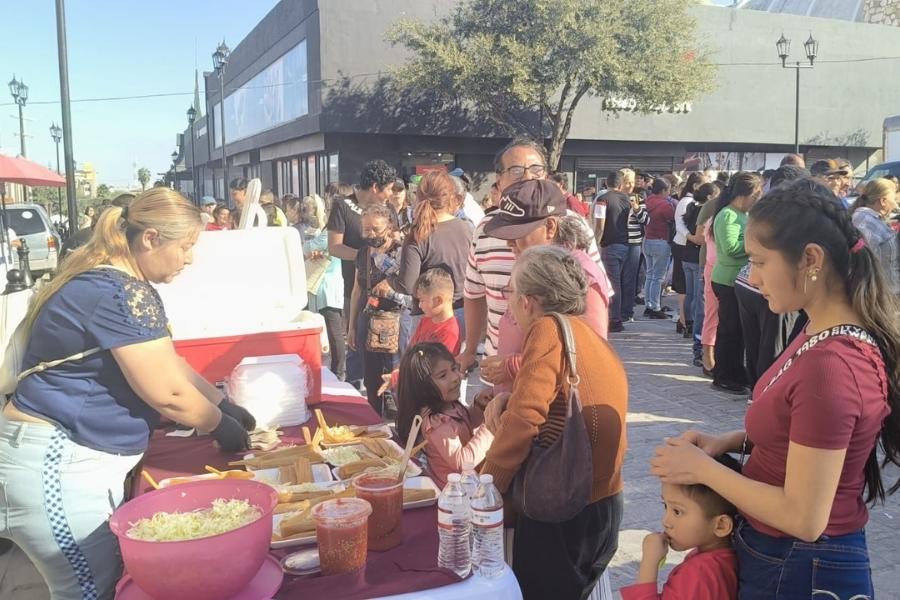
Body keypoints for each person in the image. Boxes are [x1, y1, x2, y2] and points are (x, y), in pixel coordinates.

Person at [651, 177, 900, 600]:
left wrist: (701, 469)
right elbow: (799, 434)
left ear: (810, 259)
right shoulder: (816, 330)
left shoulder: (833, 364)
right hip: (783, 556)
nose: (752, 275)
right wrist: (725, 442)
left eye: (761, 262)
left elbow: (804, 517)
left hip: (801, 564)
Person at [0, 188, 255, 599]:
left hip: (53, 456)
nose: (190, 259)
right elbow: (168, 393)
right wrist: (218, 424)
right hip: (58, 463)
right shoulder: (122, 292)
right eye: (186, 247)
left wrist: (221, 401)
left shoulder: (107, 280)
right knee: (89, 591)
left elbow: (167, 362)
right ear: (151, 238)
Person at [479, 245, 627, 600]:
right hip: (602, 503)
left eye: (510, 292)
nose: (509, 303)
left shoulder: (547, 329)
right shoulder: (586, 332)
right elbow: (550, 405)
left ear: (528, 301)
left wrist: (485, 486)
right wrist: (508, 402)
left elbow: (526, 419)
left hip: (565, 506)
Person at [458, 137, 605, 373]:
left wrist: (519, 365)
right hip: (497, 367)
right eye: (516, 170)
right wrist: (470, 349)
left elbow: (594, 323)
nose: (527, 177)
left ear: (551, 228)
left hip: (555, 377)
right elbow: (474, 293)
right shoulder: (484, 230)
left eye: (536, 169)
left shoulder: (575, 229)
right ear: (499, 179)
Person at [480, 180, 611, 395]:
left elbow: (591, 356)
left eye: (516, 234)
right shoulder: (529, 265)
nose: (509, 243)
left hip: (552, 415)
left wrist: (512, 367)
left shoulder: (580, 275)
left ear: (550, 227)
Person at [735, 166, 810, 392]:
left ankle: (758, 391)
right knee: (772, 347)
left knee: (758, 344)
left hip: (745, 285)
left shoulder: (765, 209)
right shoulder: (790, 216)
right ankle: (763, 392)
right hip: (762, 291)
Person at [327, 163, 400, 387]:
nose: (391, 195)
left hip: (390, 293)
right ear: (375, 187)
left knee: (389, 352)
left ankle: (388, 396)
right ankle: (357, 400)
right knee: (357, 349)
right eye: (388, 189)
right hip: (356, 287)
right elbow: (334, 247)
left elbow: (396, 243)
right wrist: (364, 256)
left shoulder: (389, 210)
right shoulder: (342, 205)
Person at [620, 475, 738, 600]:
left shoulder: (698, 573)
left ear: (721, 526)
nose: (665, 521)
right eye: (666, 506)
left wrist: (649, 563)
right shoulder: (727, 557)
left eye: (677, 511)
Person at [396, 342, 491, 489]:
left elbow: (463, 425)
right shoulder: (436, 422)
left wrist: (479, 406)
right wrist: (491, 426)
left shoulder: (449, 405)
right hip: (453, 496)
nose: (454, 377)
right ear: (423, 387)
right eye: (443, 375)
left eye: (454, 368)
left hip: (467, 487)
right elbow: (463, 462)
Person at [391, 171, 473, 331]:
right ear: (450, 197)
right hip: (464, 314)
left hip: (428, 317)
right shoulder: (467, 228)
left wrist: (390, 280)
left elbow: (407, 285)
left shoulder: (417, 234)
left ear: (418, 196)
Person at [347, 203, 408, 415]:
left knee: (397, 373)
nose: (370, 234)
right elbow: (356, 291)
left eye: (376, 229)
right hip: (368, 318)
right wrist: (352, 326)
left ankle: (403, 420)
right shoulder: (363, 253)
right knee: (371, 376)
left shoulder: (402, 251)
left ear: (389, 227)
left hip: (397, 320)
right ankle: (374, 420)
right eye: (366, 229)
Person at [709, 172, 762, 394]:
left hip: (737, 280)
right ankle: (723, 375)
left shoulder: (741, 214)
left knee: (739, 332)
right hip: (727, 280)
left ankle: (736, 372)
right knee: (729, 331)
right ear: (746, 194)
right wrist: (756, 245)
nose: (758, 200)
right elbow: (731, 249)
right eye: (757, 195)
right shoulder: (728, 215)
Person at [284, 193, 347, 380]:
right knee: (324, 330)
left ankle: (339, 370)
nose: (306, 213)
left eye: (309, 209)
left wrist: (309, 243)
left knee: (334, 330)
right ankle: (328, 367)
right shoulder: (321, 230)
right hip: (318, 287)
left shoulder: (329, 232)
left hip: (327, 287)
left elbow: (305, 249)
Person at [380, 268, 461, 394]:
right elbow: (410, 352)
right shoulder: (425, 320)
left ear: (438, 300)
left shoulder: (449, 331)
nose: (419, 305)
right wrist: (398, 374)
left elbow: (433, 369)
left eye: (422, 300)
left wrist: (400, 377)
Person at [595, 170, 633, 333]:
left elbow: (599, 224)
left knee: (612, 283)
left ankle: (614, 319)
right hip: (625, 243)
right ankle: (618, 316)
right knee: (620, 281)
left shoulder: (602, 200)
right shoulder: (627, 199)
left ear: (606, 183)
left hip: (609, 244)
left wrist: (595, 242)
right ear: (620, 184)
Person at [851, 177, 899, 293]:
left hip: (889, 290)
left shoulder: (872, 219)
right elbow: (865, 264)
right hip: (881, 294)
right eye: (894, 200)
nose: (896, 205)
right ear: (883, 201)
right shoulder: (864, 222)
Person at [673, 172, 706, 337]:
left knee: (689, 290)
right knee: (686, 289)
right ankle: (686, 321)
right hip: (684, 246)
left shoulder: (694, 204)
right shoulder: (688, 202)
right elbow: (679, 224)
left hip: (688, 247)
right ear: (695, 186)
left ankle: (685, 321)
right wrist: (692, 237)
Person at [642, 178, 675, 319]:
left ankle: (648, 305)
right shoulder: (666, 205)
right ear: (663, 190)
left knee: (649, 274)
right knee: (658, 277)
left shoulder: (647, 201)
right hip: (661, 241)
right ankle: (655, 307)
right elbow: (673, 219)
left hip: (647, 239)